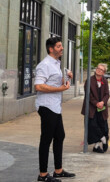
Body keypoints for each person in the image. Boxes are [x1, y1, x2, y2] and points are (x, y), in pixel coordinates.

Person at [34, 37, 76, 182]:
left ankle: (58, 171)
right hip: (46, 106)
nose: (62, 48)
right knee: (46, 140)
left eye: (62, 46)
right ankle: (43, 175)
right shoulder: (44, 65)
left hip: (55, 106)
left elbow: (59, 84)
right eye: (59, 46)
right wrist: (59, 88)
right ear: (51, 49)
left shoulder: (56, 64)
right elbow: (38, 86)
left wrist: (67, 78)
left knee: (60, 136)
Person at [81, 63, 110, 153]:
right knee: (93, 126)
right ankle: (103, 139)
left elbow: (107, 94)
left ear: (104, 72)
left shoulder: (105, 81)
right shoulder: (89, 80)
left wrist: (102, 102)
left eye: (101, 70)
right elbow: (88, 95)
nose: (99, 70)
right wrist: (96, 103)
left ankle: (96, 146)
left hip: (102, 108)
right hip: (91, 108)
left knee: (103, 126)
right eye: (98, 68)